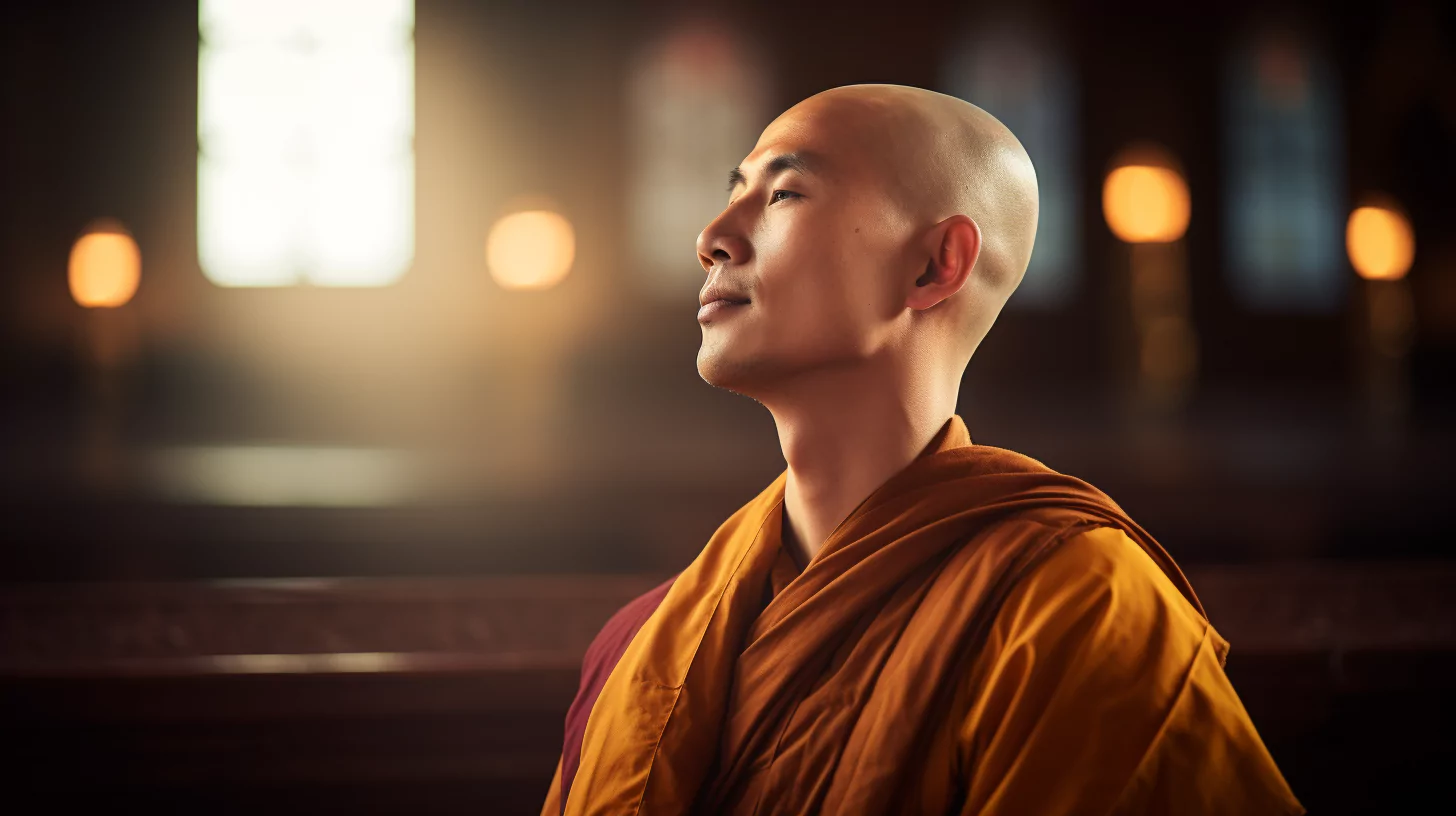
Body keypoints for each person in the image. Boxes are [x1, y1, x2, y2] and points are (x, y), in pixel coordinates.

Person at [540, 84, 1303, 815]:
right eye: (733, 191)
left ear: (936, 265)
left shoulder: (1080, 613)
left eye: (782, 195)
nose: (712, 239)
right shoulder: (644, 646)